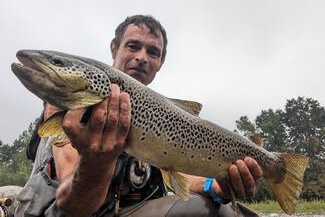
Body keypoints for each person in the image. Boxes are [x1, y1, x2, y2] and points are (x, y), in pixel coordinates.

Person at [15, 15, 263, 216]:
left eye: (153, 52)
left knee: (232, 210)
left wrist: (217, 187)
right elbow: (73, 207)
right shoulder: (70, 105)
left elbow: (179, 175)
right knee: (203, 211)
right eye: (133, 46)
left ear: (160, 63)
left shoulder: (159, 119)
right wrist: (96, 161)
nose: (142, 57)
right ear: (114, 48)